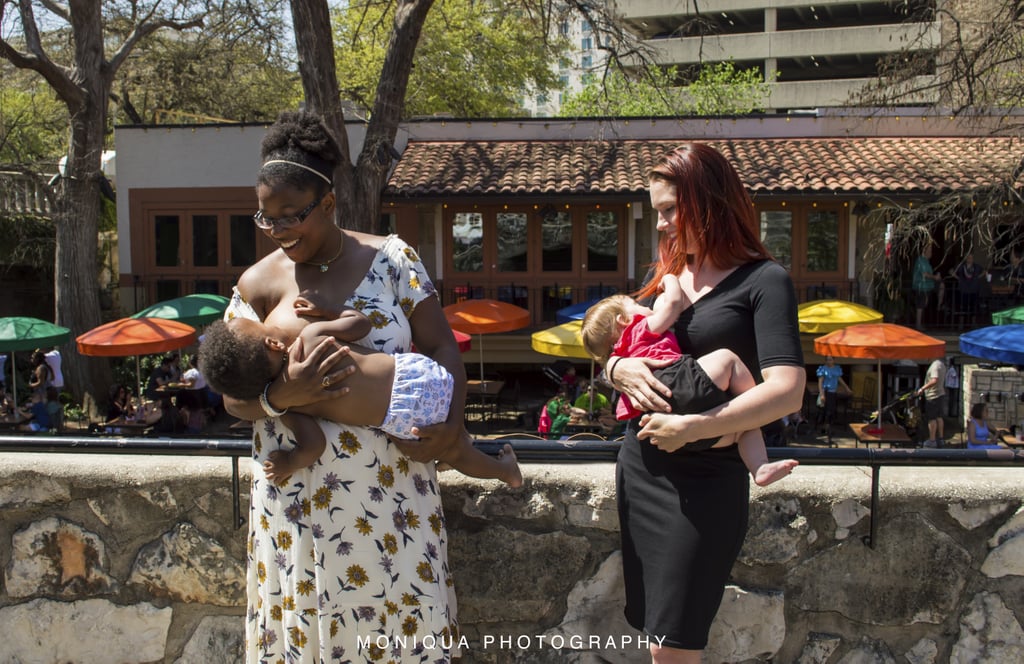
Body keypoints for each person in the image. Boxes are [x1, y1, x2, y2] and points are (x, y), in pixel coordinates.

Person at [220, 110, 466, 662]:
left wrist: (450, 429)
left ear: (328, 203)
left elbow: (443, 348)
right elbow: (232, 394)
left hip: (394, 497)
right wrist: (289, 393)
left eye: (292, 216)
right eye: (265, 218)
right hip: (299, 505)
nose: (279, 230)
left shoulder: (393, 260)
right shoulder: (254, 284)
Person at [600, 143, 806, 661]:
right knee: (658, 640)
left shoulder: (765, 281)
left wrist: (693, 428)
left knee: (675, 645)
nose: (663, 224)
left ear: (708, 201)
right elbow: (635, 349)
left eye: (671, 209)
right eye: (658, 213)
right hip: (642, 469)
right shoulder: (667, 281)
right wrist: (614, 369)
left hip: (706, 483)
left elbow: (787, 388)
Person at [199, 312, 521, 487]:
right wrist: (327, 315)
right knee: (452, 440)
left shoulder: (290, 408)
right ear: (273, 342)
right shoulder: (311, 337)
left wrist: (288, 462)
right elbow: (360, 323)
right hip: (416, 373)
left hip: (402, 415)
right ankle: (496, 464)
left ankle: (504, 472)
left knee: (457, 450)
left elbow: (313, 447)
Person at [581, 278, 797, 487]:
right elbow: (673, 304)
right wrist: (670, 280)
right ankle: (758, 463)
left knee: (738, 432)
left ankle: (759, 468)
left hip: (657, 418)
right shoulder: (638, 327)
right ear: (623, 320)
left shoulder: (622, 353)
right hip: (676, 380)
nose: (644, 307)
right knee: (729, 366)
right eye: (636, 305)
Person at [815, 355, 851, 435]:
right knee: (825, 411)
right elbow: (820, 382)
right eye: (827, 360)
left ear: (834, 360)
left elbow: (839, 379)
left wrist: (846, 388)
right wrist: (821, 394)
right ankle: (824, 429)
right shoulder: (823, 369)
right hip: (826, 392)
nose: (829, 361)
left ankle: (828, 428)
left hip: (833, 392)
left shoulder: (836, 369)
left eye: (830, 360)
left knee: (831, 411)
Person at [918, 357, 947, 448]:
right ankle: (941, 439)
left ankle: (932, 440)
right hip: (940, 394)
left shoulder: (935, 365)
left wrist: (923, 388)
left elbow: (935, 379)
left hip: (933, 396)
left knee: (932, 418)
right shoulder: (941, 364)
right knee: (939, 417)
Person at [912, 243, 941, 329]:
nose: (931, 253)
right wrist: (935, 277)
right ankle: (918, 324)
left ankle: (921, 323)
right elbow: (925, 274)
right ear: (925, 251)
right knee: (920, 305)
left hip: (927, 286)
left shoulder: (926, 261)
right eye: (929, 250)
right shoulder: (921, 261)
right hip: (921, 286)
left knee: (924, 304)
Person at [953, 254, 986, 324]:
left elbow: (984, 271)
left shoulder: (976, 266)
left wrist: (978, 277)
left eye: (971, 257)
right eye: (968, 257)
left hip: (973, 289)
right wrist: (958, 278)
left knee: (973, 307)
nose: (969, 259)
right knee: (962, 307)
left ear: (973, 259)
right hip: (963, 290)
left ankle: (973, 323)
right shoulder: (961, 266)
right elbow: (951, 271)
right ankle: (961, 324)